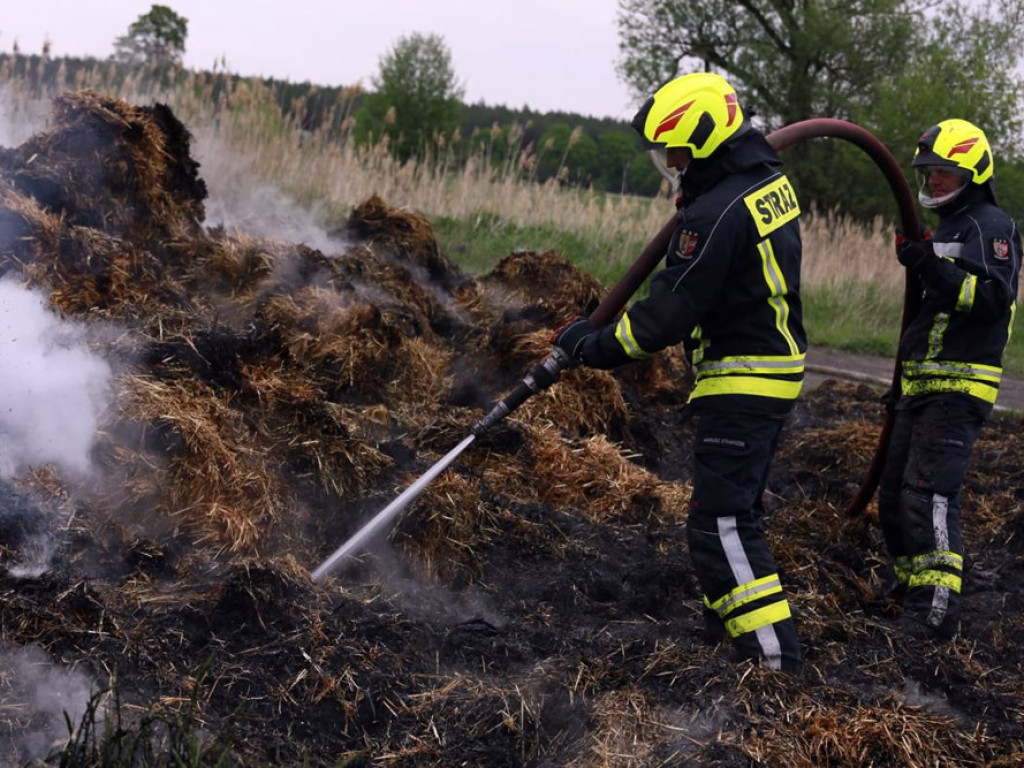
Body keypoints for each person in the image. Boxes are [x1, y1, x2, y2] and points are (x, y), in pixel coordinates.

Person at [551, 72, 805, 672]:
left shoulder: (716, 213)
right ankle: (730, 636)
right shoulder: (763, 183)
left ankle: (772, 661)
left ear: (708, 140)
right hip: (773, 370)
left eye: (679, 153)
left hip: (743, 381)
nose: (671, 164)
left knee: (720, 523)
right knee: (735, 514)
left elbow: (663, 316)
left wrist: (591, 347)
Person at [880, 118, 1021, 639]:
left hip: (958, 389)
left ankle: (935, 613)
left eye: (944, 171)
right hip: (920, 387)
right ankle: (910, 587)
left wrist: (927, 266)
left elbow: (990, 300)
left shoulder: (992, 226)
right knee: (893, 498)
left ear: (973, 171)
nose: (933, 180)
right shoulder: (949, 228)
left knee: (928, 497)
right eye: (929, 172)